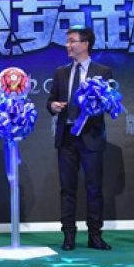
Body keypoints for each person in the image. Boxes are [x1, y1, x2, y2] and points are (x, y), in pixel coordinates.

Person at [46, 25, 113, 251]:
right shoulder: (61, 72)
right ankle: (69, 235)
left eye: (73, 41)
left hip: (91, 137)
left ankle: (95, 235)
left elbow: (108, 103)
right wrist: (53, 106)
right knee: (67, 188)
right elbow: (50, 101)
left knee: (94, 188)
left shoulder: (103, 71)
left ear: (85, 44)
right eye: (67, 41)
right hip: (66, 138)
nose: (68, 45)